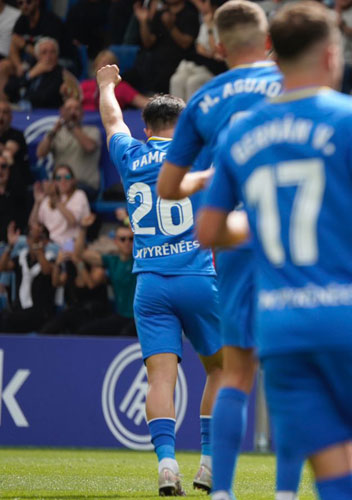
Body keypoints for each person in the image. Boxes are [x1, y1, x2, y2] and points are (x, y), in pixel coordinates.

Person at [195, 3, 352, 499]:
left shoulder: (239, 132)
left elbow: (208, 230)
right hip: (349, 315)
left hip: (280, 326)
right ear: (332, 56)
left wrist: (266, 224)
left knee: (334, 468)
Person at [155, 1, 282, 496]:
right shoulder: (293, 84)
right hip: (294, 238)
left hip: (230, 239)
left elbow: (168, 185)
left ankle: (220, 484)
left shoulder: (204, 100)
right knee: (297, 367)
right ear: (267, 40)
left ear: (217, 46)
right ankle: (288, 490)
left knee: (238, 367)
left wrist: (203, 179)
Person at [97, 64, 224, 496]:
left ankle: (167, 465)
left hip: (149, 283)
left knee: (161, 380)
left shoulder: (130, 156)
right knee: (223, 371)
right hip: (197, 277)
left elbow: (112, 118)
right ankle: (208, 465)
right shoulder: (197, 153)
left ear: (146, 126)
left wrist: (105, 85)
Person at [76, 220, 138, 336]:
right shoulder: (112, 261)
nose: (127, 243)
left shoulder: (140, 260)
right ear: (116, 241)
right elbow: (80, 253)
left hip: (139, 318)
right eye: (122, 239)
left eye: (131, 239)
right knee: (85, 331)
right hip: (121, 316)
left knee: (125, 335)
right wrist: (83, 229)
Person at [126, 0, 201, 94]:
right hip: (155, 63)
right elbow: (148, 42)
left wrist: (171, 27)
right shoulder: (160, 13)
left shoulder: (190, 14)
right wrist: (143, 22)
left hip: (179, 63)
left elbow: (185, 44)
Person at [36, 98, 101, 196]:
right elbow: (40, 153)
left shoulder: (92, 131)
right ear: (62, 112)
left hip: (84, 186)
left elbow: (89, 147)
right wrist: (53, 132)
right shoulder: (56, 134)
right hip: (60, 185)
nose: (72, 112)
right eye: (68, 109)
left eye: (76, 109)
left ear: (82, 113)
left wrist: (70, 126)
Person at [0, 221, 55, 332]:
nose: (34, 240)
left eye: (40, 237)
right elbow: (3, 267)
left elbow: (46, 271)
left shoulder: (50, 258)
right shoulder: (22, 257)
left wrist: (37, 248)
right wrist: (10, 247)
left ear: (47, 242)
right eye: (31, 237)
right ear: (27, 240)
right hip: (19, 309)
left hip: (40, 312)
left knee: (10, 320)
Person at [28, 164, 91, 249]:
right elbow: (33, 225)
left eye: (67, 177)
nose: (63, 180)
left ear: (72, 180)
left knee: (47, 249)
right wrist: (37, 203)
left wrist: (56, 201)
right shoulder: (47, 199)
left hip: (71, 244)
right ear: (54, 182)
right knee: (21, 242)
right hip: (48, 242)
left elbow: (72, 222)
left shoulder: (79, 195)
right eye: (58, 178)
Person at [81, 50, 150, 112]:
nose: (105, 67)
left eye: (109, 64)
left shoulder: (122, 88)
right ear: (95, 66)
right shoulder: (84, 85)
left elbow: (144, 103)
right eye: (102, 63)